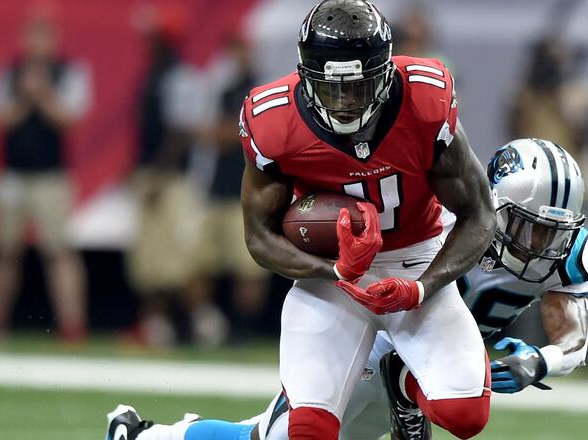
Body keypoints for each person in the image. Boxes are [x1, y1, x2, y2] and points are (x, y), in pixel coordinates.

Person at [113, 0, 497, 439]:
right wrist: (334, 269)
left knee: (466, 415)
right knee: (302, 432)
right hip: (332, 282)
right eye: (333, 88)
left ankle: (403, 385)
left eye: (359, 86)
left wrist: (423, 286)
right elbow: (258, 237)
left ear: (386, 73)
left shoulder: (425, 100)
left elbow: (479, 214)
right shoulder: (275, 121)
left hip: (416, 260)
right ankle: (151, 435)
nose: (347, 102)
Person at [106, 138, 588, 440]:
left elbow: (573, 338)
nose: (543, 244)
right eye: (530, 227)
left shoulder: (562, 250)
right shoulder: (445, 218)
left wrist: (541, 360)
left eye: (553, 231)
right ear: (492, 204)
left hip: (433, 358)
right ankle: (150, 433)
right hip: (376, 338)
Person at [0, 14, 91, 342]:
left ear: (54, 40)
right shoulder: (8, 73)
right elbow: (0, 119)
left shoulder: (69, 73)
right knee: (3, 252)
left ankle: (72, 324)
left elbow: (70, 118)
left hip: (52, 176)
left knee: (60, 250)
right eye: (33, 36)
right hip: (13, 174)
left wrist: (43, 95)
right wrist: (26, 97)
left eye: (44, 37)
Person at [125, 7, 204, 347]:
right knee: (152, 259)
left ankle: (203, 322)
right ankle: (158, 325)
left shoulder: (178, 76)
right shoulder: (155, 73)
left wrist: (158, 173)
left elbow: (179, 132)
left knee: (176, 256)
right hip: (155, 176)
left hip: (170, 180)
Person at [184, 36, 269, 346]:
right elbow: (203, 131)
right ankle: (207, 324)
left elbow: (240, 134)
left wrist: (220, 132)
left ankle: (243, 331)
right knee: (197, 266)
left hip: (246, 193)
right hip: (216, 190)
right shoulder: (221, 91)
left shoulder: (260, 92)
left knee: (248, 270)